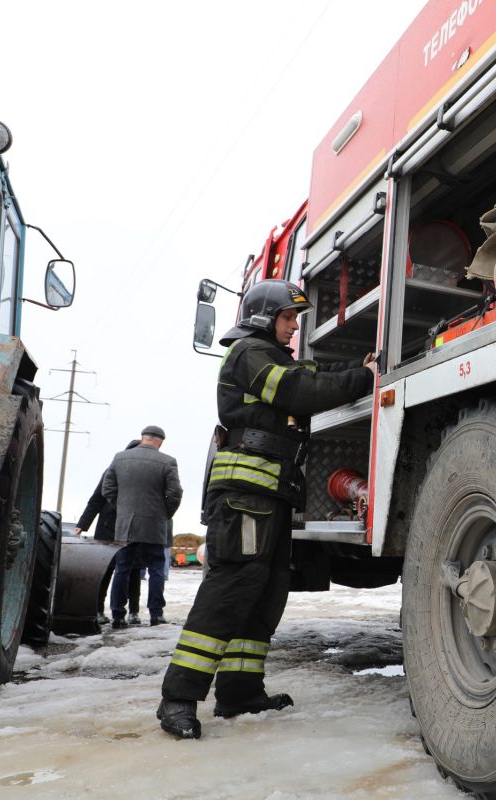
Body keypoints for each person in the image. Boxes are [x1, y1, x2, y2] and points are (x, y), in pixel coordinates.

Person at [157, 279, 375, 740]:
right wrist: (365, 378)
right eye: (288, 318)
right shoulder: (249, 353)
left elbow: (312, 375)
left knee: (266, 590)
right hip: (245, 494)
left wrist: (359, 364)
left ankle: (239, 692)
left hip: (270, 493)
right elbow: (300, 392)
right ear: (263, 317)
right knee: (232, 587)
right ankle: (178, 698)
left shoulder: (274, 356)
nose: (294, 327)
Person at [101, 426, 183, 629]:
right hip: (155, 523)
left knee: (122, 569)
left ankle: (118, 616)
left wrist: (122, 509)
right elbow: (175, 493)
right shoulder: (168, 461)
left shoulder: (120, 458)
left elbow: (107, 488)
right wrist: (165, 514)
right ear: (161, 442)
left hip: (126, 523)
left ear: (142, 438)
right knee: (156, 569)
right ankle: (156, 615)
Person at [74, 441, 145, 625]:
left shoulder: (147, 474)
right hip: (108, 528)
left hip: (134, 529)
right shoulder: (112, 471)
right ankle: (97, 610)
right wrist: (82, 524)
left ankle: (134, 611)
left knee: (134, 570)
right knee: (105, 570)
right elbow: (96, 500)